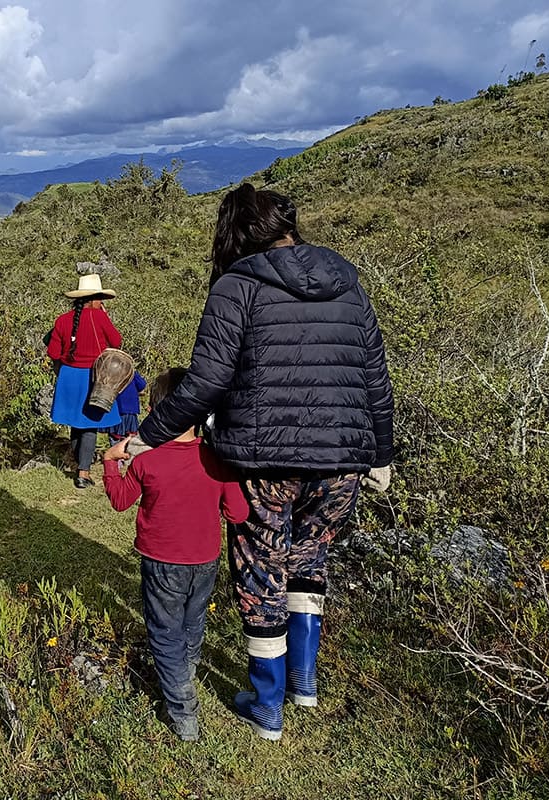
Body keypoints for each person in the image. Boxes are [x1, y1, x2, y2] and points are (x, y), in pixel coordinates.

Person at [131, 183, 394, 741]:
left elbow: (205, 382)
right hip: (343, 460)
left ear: (233, 235)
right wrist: (382, 453)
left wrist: (150, 436)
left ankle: (267, 705)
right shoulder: (348, 284)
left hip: (264, 461)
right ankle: (304, 685)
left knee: (262, 575)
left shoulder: (237, 287)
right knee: (309, 564)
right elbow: (374, 376)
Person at [102, 368, 248, 742]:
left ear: (155, 411)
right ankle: (186, 671)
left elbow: (120, 501)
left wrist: (109, 460)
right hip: (205, 560)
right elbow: (238, 514)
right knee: (192, 622)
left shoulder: (147, 462)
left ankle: (183, 712)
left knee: (164, 633)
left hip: (161, 559)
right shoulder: (216, 460)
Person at [47, 272, 122, 489]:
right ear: (94, 298)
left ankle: (78, 461)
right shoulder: (100, 317)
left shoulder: (62, 320)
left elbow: (53, 351)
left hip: (69, 376)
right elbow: (116, 341)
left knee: (76, 422)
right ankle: (83, 472)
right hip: (93, 376)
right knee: (90, 425)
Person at [105, 371, 146, 442]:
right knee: (130, 438)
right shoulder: (131, 373)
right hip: (129, 411)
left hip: (116, 410)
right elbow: (142, 385)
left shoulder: (112, 371)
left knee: (115, 437)